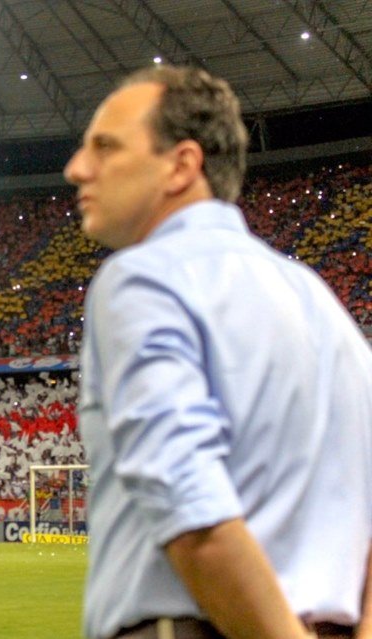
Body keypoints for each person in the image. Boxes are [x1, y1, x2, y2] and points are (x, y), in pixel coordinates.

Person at [64, 65, 372, 639]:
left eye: (105, 147)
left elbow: (190, 509)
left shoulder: (142, 280)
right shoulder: (318, 299)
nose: (77, 168)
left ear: (182, 165)